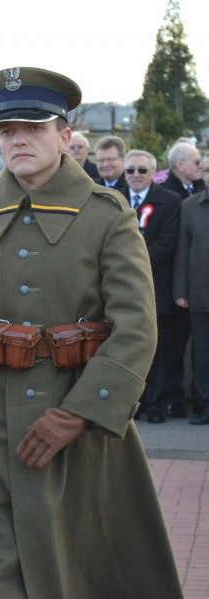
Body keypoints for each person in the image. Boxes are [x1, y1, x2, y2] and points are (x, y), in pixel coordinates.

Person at [0, 66, 181, 598]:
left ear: (65, 136)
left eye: (33, 127)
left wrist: (79, 412)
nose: (18, 140)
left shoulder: (107, 217)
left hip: (80, 435)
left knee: (77, 573)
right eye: (7, 131)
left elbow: (137, 327)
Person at [123, 150, 183, 423]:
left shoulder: (169, 201)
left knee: (156, 349)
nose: (136, 175)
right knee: (126, 350)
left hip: (156, 287)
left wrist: (129, 259)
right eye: (131, 170)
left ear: (153, 172)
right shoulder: (115, 199)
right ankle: (131, 404)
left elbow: (168, 243)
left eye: (142, 170)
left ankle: (155, 404)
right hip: (120, 288)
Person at [160, 141, 205, 423]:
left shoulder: (194, 192)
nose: (203, 169)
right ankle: (189, 403)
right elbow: (181, 250)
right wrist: (180, 290)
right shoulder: (181, 201)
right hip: (191, 291)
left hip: (196, 290)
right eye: (200, 164)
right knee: (191, 352)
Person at [174, 152, 209, 425]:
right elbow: (182, 252)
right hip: (200, 295)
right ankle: (203, 405)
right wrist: (180, 291)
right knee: (202, 354)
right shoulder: (190, 206)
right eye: (206, 170)